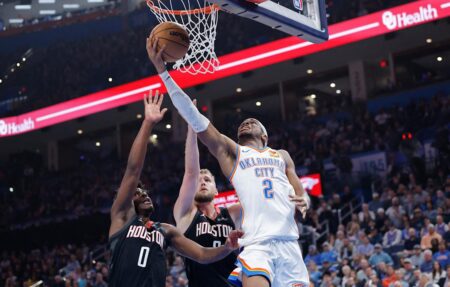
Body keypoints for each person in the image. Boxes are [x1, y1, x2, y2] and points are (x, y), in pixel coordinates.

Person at [147, 39, 311, 287]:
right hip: (257, 246)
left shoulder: (282, 155)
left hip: (289, 243)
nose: (247, 122)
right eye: (243, 123)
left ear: (264, 136)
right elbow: (196, 119)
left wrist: (305, 199)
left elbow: (300, 191)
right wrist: (163, 73)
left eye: (254, 122)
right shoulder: (233, 154)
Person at [108, 91, 243, 287]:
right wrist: (148, 123)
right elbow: (133, 170)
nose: (144, 194)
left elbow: (202, 254)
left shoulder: (165, 230)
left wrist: (226, 247)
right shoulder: (121, 219)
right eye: (137, 193)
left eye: (145, 191)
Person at [173, 119, 241, 287]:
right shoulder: (185, 214)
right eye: (198, 181)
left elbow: (256, 195)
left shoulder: (232, 213)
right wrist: (192, 128)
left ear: (217, 190)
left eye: (207, 180)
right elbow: (190, 172)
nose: (202, 182)